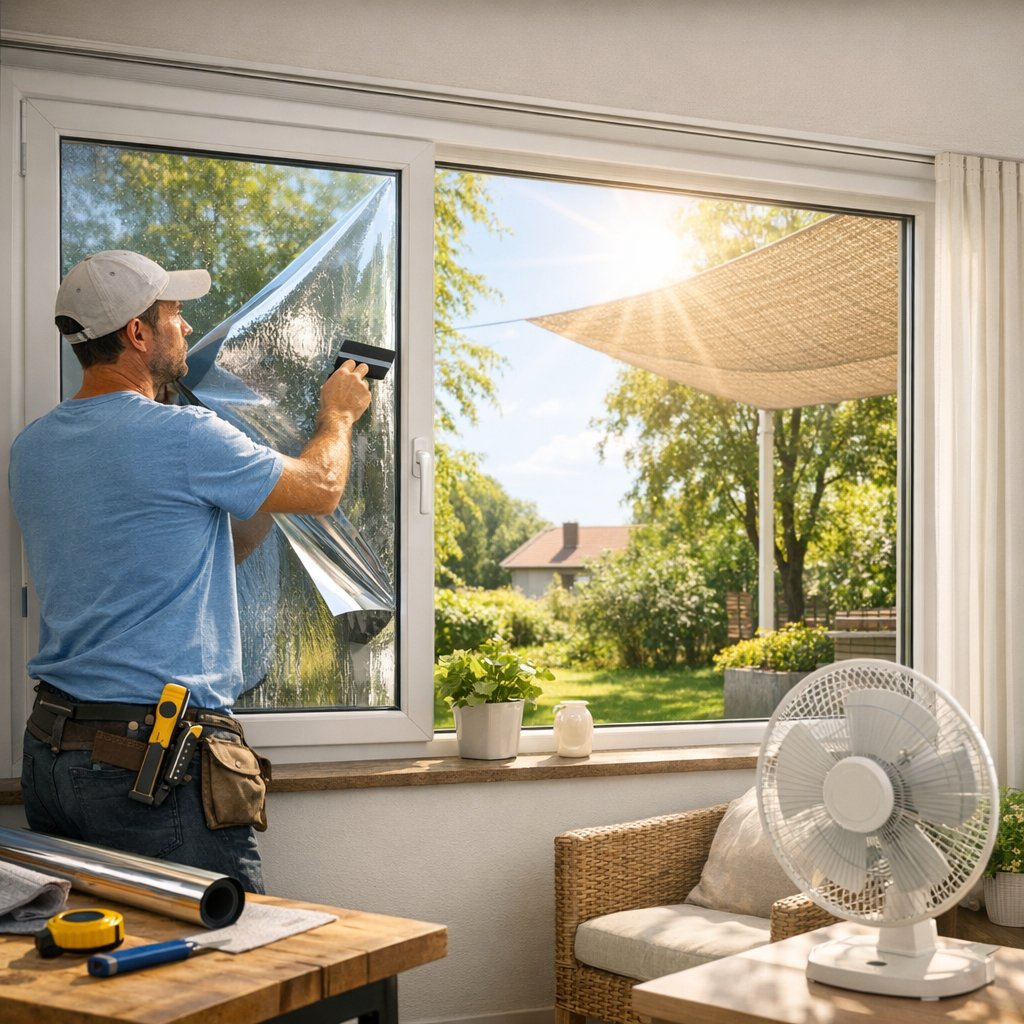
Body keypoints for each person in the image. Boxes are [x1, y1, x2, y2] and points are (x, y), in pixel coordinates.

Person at [8, 250, 371, 892]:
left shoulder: (32, 447)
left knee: (105, 950)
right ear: (137, 333)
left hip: (52, 752)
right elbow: (321, 487)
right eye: (175, 313)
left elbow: (200, 553)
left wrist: (253, 471)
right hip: (148, 762)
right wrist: (336, 415)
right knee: (226, 948)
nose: (187, 326)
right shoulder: (182, 435)